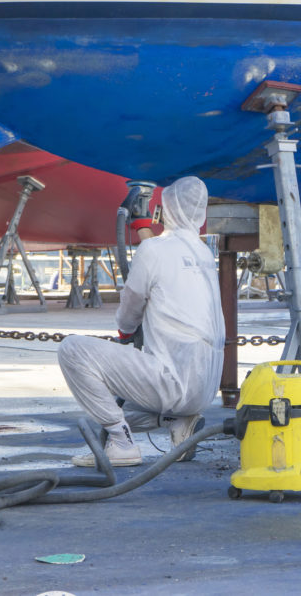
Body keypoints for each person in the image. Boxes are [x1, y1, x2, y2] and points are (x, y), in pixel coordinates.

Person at [57, 176, 224, 466]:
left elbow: (131, 305)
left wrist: (125, 332)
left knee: (72, 350)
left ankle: (121, 444)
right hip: (205, 387)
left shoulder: (155, 250)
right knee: (129, 400)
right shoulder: (204, 254)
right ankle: (180, 425)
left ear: (165, 209)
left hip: (173, 380)